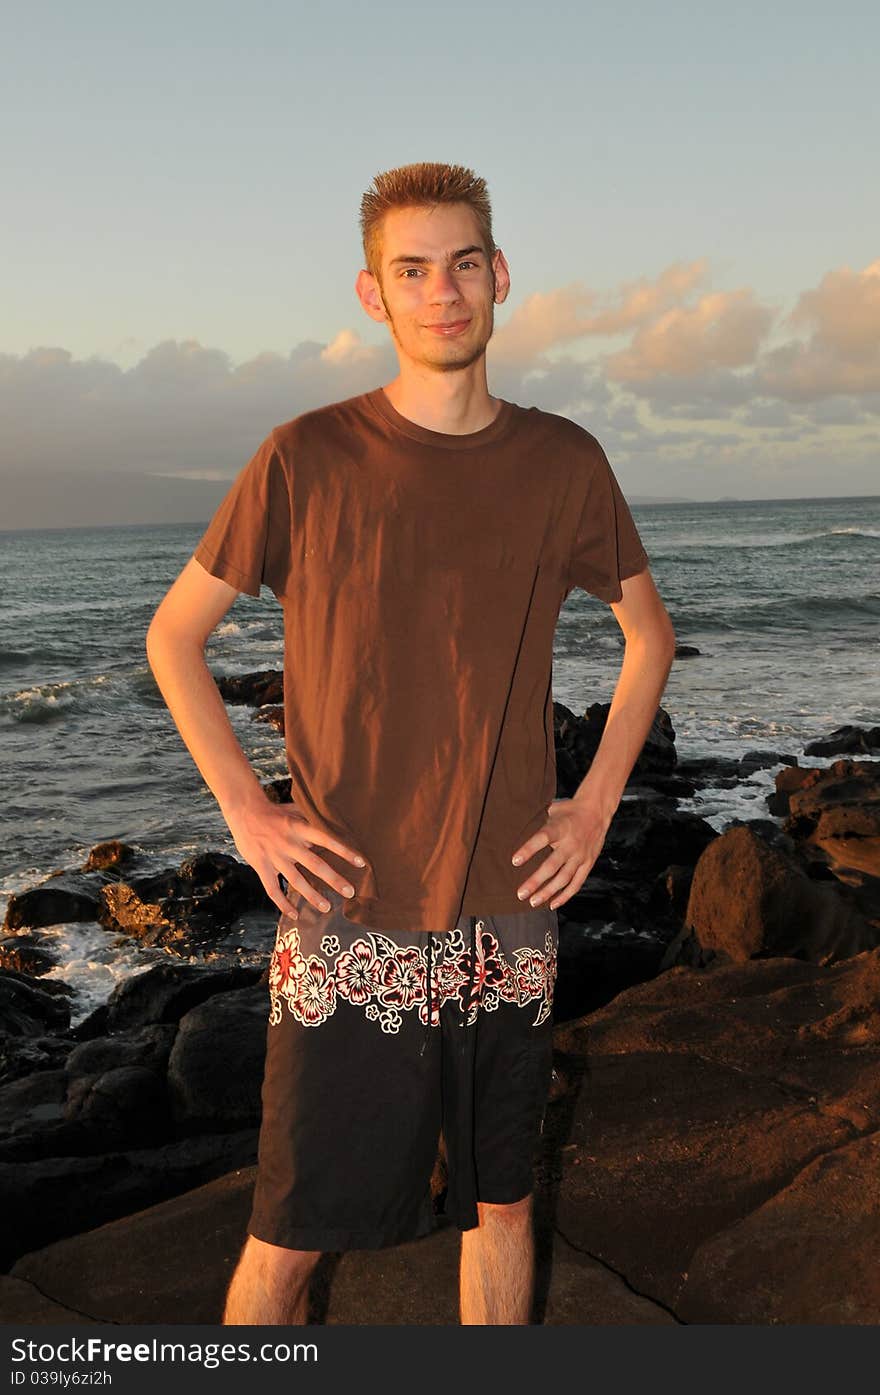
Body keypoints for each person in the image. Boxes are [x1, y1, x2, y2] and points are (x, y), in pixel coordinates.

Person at [145, 161, 676, 1325]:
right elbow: (174, 639)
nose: (443, 291)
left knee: (503, 1208)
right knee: (287, 1236)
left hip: (508, 906)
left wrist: (589, 808)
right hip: (349, 904)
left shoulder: (564, 461)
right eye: (413, 270)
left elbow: (648, 635)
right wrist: (246, 809)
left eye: (463, 264)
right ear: (372, 294)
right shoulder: (306, 455)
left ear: (500, 277)